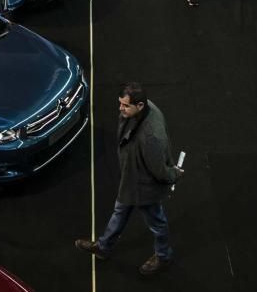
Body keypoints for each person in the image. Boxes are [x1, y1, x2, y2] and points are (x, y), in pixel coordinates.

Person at [75, 83, 184, 276]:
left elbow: (159, 171)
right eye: (120, 104)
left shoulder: (151, 137)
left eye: (125, 106)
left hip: (144, 188)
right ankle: (103, 247)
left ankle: (164, 255)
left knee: (157, 222)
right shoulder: (142, 109)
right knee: (120, 210)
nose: (120, 109)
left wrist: (174, 174)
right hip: (131, 179)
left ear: (140, 106)